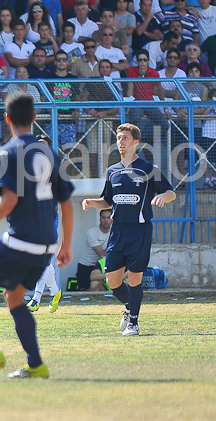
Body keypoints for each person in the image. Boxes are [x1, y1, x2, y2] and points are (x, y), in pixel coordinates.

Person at [0, 92, 74, 379]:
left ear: (7, 119)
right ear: (35, 118)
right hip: (46, 244)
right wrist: (65, 245)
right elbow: (67, 203)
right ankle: (35, 364)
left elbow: (9, 200)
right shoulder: (49, 151)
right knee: (13, 296)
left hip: (21, 239)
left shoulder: (7, 152)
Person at [82, 123, 176, 336]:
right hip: (118, 231)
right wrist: (91, 202)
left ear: (136, 142)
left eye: (125, 138)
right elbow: (107, 201)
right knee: (112, 280)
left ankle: (133, 323)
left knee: (134, 278)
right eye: (118, 138)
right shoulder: (112, 171)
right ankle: (129, 307)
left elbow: (171, 192)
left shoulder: (147, 169)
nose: (121, 142)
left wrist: (162, 196)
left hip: (139, 230)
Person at [77, 209, 112, 291]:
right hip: (87, 265)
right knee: (90, 288)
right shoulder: (91, 232)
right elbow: (102, 253)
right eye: (103, 218)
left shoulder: (116, 231)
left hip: (104, 264)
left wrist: (102, 259)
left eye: (108, 217)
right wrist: (104, 257)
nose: (106, 220)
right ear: (100, 219)